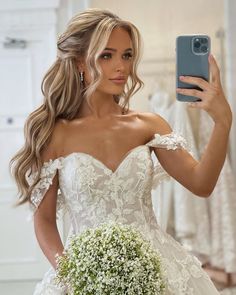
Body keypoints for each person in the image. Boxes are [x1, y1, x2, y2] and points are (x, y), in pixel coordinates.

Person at [9, 8, 232, 295]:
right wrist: (76, 276)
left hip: (157, 269)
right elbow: (44, 220)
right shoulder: (55, 134)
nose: (121, 67)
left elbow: (202, 184)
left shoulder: (148, 125)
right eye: (107, 55)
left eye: (127, 55)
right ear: (80, 62)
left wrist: (222, 121)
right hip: (83, 276)